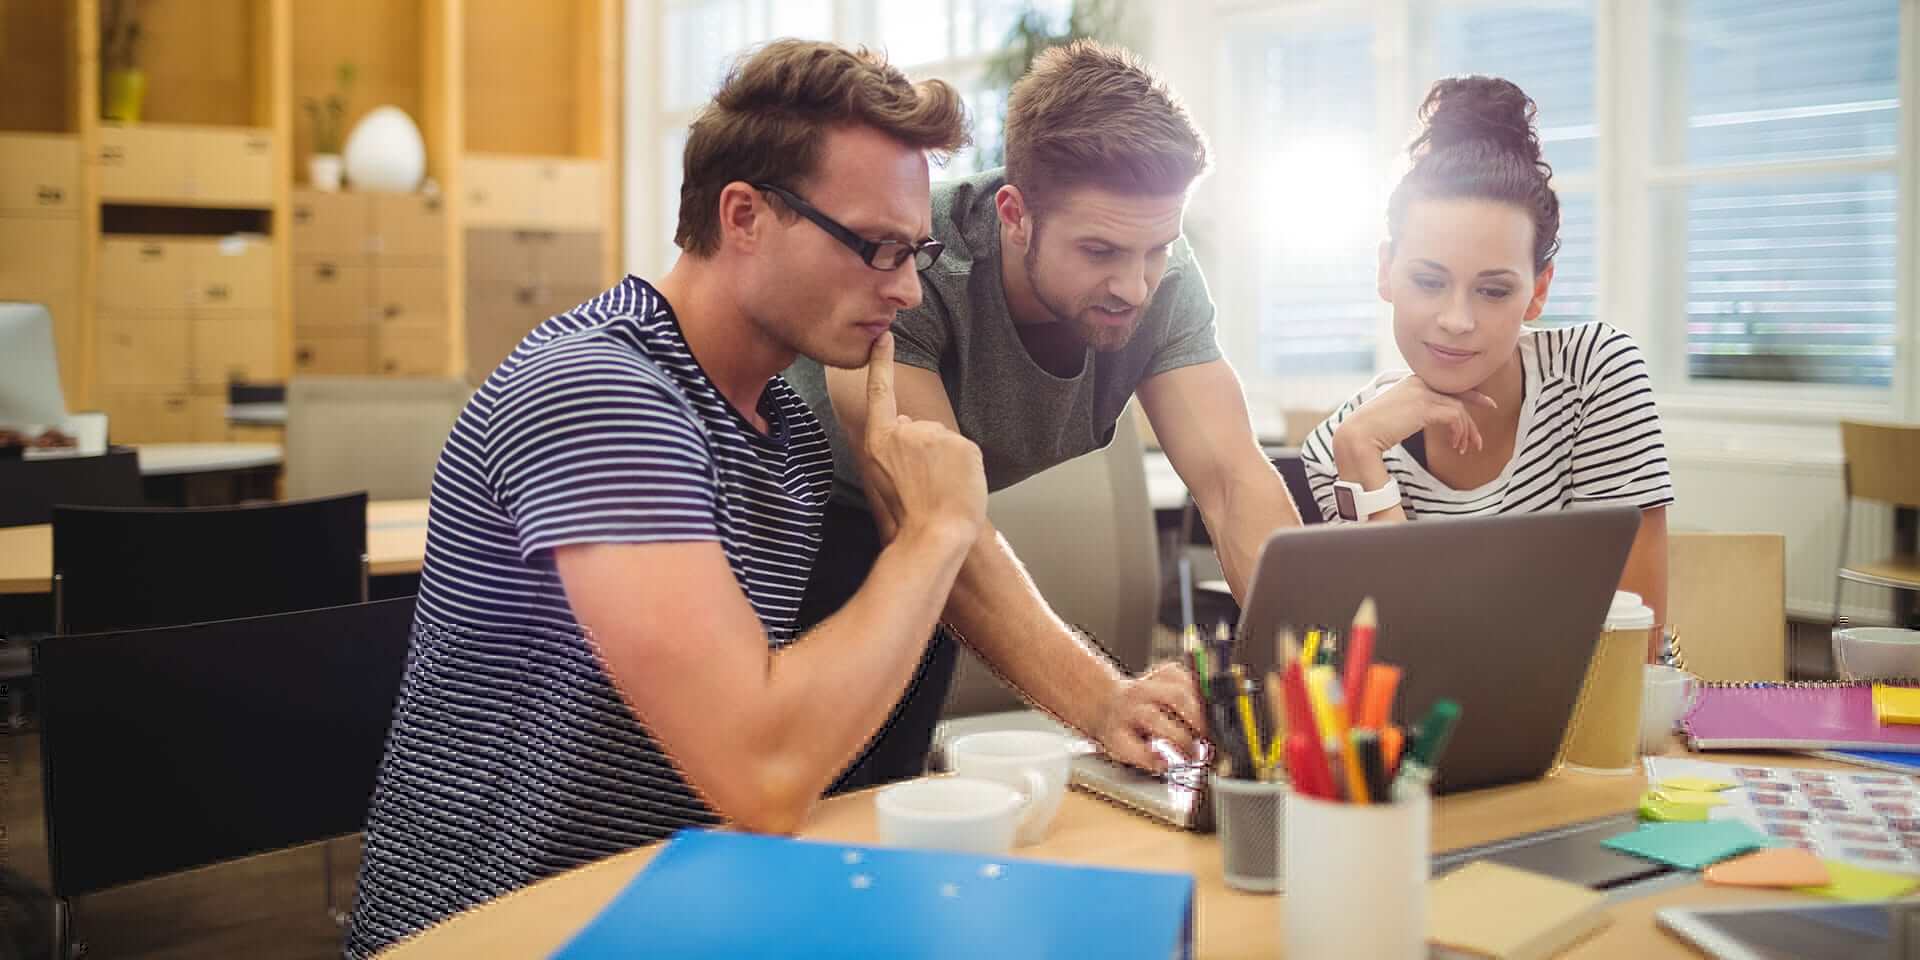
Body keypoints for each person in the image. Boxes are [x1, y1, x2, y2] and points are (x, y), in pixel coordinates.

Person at [346, 41, 983, 957]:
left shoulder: (792, 442)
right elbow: (764, 773)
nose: (907, 288)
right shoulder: (598, 391)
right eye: (877, 247)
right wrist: (939, 529)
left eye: (914, 250)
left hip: (674, 905)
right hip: (497, 930)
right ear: (745, 216)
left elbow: (782, 735)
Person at [785, 39, 1299, 791]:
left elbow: (1231, 481)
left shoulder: (1160, 274)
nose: (1134, 284)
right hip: (799, 535)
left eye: (1156, 248)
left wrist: (1317, 677)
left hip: (931, 552)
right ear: (1015, 214)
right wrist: (1102, 701)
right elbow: (928, 517)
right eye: (1099, 250)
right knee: (807, 813)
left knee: (892, 808)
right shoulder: (910, 261)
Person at [1297, 75, 1674, 653]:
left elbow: (1634, 647)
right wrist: (1360, 458)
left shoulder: (1593, 373)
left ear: (1538, 291)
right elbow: (1391, 668)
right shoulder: (1345, 443)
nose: (1456, 319)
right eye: (1429, 281)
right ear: (1385, 271)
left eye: (1493, 291)